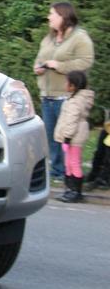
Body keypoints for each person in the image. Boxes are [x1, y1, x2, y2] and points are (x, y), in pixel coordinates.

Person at [33, 2, 94, 179]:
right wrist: (38, 67)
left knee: (68, 137)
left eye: (52, 14)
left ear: (63, 16)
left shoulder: (80, 38)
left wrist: (60, 66)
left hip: (68, 97)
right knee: (53, 137)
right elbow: (39, 58)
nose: (48, 17)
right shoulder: (49, 38)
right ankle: (57, 171)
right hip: (47, 96)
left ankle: (71, 173)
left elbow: (85, 62)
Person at [54, 70, 95, 203]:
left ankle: (76, 192)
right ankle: (70, 190)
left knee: (74, 163)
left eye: (67, 82)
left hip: (73, 138)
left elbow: (72, 121)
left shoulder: (76, 101)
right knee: (68, 164)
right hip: (72, 137)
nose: (65, 85)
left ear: (73, 85)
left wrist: (67, 138)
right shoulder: (75, 98)